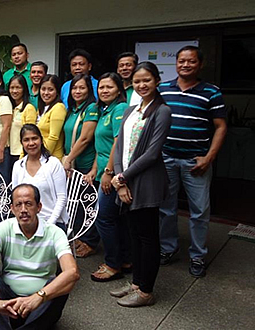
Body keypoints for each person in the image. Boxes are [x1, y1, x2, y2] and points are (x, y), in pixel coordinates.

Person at [158, 46, 227, 278]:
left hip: (195, 161)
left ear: (200, 64)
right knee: (166, 208)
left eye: (191, 61)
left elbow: (220, 127)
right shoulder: (163, 89)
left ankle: (198, 256)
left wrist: (209, 157)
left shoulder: (211, 92)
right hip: (166, 158)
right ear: (175, 63)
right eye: (181, 61)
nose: (185, 65)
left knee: (199, 211)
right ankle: (168, 248)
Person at [0, 184, 80, 330]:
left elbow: (72, 272)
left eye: (28, 204)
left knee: (60, 282)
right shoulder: (2, 228)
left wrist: (38, 296)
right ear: (12, 208)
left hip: (40, 304)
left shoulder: (55, 233)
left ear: (39, 207)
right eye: (18, 205)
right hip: (8, 301)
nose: (23, 210)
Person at [110, 62, 172, 307]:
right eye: (137, 81)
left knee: (148, 237)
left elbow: (152, 153)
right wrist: (118, 178)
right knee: (134, 234)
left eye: (146, 80)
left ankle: (146, 291)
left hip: (146, 183)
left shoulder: (162, 111)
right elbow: (120, 147)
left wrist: (123, 178)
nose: (141, 85)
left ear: (157, 81)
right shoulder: (131, 110)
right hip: (124, 181)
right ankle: (136, 282)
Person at [91, 72, 130, 278]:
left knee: (104, 218)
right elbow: (102, 146)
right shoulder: (105, 110)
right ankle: (124, 259)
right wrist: (96, 169)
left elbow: (118, 142)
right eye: (101, 87)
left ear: (119, 90)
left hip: (113, 173)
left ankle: (112, 264)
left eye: (109, 87)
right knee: (116, 219)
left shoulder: (120, 108)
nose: (104, 91)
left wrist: (108, 172)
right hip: (104, 171)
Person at [12, 124, 68, 225]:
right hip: (26, 222)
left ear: (41, 140)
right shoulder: (18, 166)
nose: (31, 143)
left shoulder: (53, 163)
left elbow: (62, 197)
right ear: (22, 143)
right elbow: (16, 198)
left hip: (52, 222)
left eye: (34, 138)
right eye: (26, 140)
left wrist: (50, 224)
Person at [62, 73, 98, 179]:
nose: (77, 91)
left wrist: (68, 160)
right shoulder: (71, 110)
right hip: (71, 165)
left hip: (85, 167)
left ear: (89, 90)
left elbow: (85, 138)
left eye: (82, 88)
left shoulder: (91, 108)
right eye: (74, 88)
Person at [36, 74, 67, 162]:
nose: (46, 93)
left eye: (50, 90)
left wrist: (41, 157)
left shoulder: (58, 108)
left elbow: (54, 137)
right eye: (43, 89)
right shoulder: (41, 109)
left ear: (57, 91)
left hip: (50, 159)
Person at [8, 75, 38, 162]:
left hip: (21, 154)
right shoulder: (10, 107)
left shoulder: (29, 108)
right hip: (9, 152)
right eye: (12, 88)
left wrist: (24, 154)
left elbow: (30, 135)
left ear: (24, 89)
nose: (14, 91)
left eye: (18, 88)